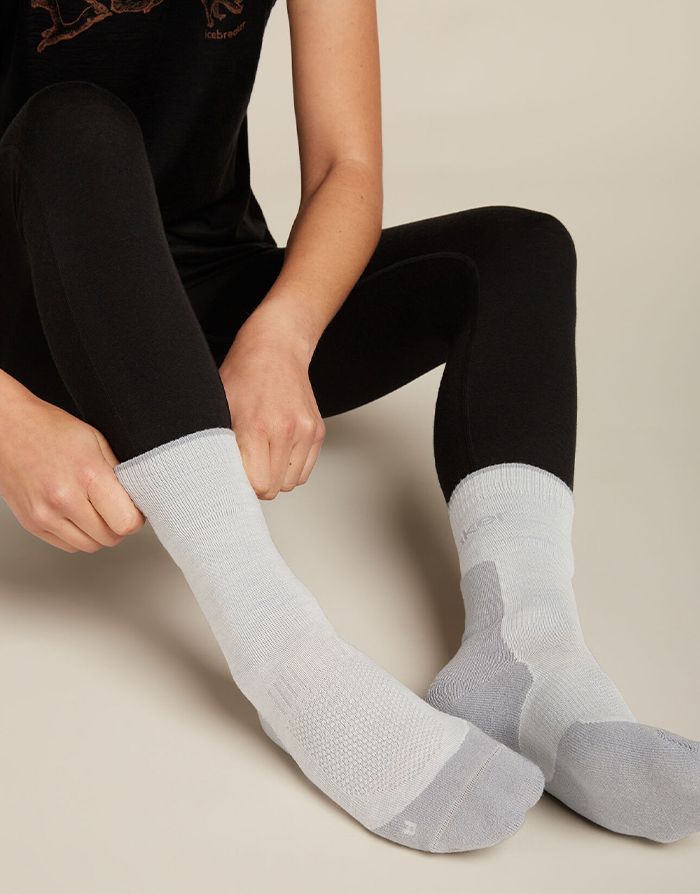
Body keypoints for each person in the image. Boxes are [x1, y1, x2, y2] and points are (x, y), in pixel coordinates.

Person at [0, 0, 697, 853]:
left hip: (211, 306)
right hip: (29, 325)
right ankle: (289, 663)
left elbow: (346, 166)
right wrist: (7, 418)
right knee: (74, 123)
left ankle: (527, 652)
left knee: (521, 250)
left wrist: (281, 337)